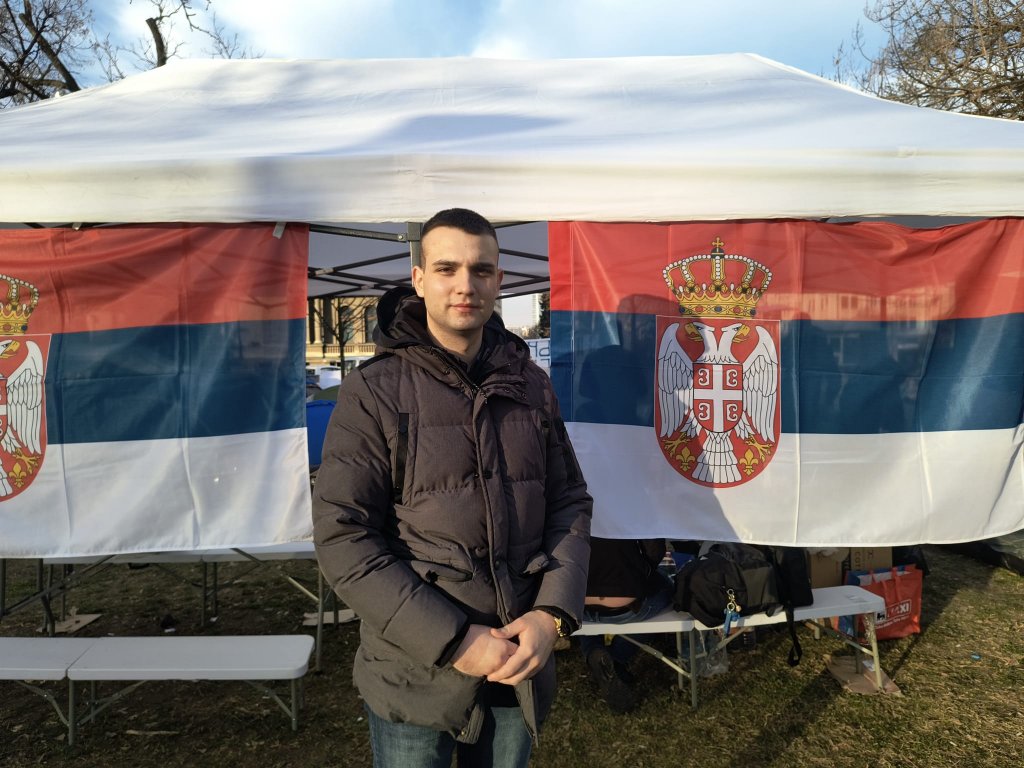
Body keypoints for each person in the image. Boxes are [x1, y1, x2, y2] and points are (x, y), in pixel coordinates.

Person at [312, 208, 593, 768]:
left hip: (516, 661)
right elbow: (344, 537)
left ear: (499, 279)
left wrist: (552, 615)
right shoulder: (374, 392)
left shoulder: (531, 386)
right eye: (447, 269)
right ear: (419, 280)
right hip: (416, 670)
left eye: (481, 269)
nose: (466, 285)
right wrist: (454, 640)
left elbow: (569, 502)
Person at [579, 537, 674, 713]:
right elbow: (655, 551)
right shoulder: (633, 516)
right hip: (627, 607)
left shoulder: (567, 518)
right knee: (667, 590)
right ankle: (616, 657)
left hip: (579, 607)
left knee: (585, 618)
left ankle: (593, 651)